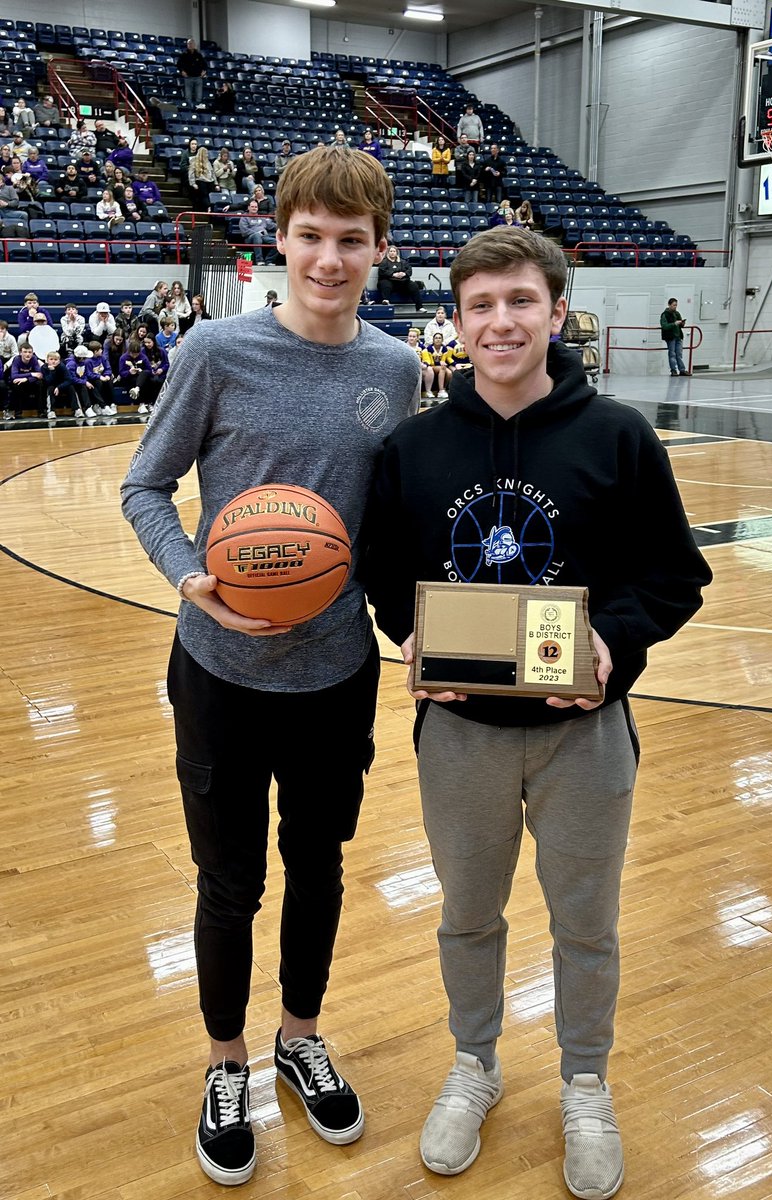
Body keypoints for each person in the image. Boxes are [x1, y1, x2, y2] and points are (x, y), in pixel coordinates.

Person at [363, 227, 712, 1197]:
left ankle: (585, 1082)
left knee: (586, 926)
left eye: (521, 301)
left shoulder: (620, 437)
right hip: (462, 735)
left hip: (585, 733)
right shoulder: (413, 448)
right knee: (468, 918)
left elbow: (676, 576)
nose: (501, 322)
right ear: (458, 321)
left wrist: (613, 640)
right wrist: (411, 637)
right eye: (481, 305)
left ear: (558, 311)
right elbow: (385, 574)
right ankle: (474, 1063)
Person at [120, 143, 420, 1189]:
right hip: (218, 673)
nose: (329, 259)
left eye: (351, 240)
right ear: (278, 239)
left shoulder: (395, 369)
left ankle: (298, 1035)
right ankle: (226, 1061)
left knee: (322, 866)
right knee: (226, 880)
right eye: (310, 237)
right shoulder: (215, 351)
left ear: (380, 249)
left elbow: (387, 526)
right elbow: (145, 487)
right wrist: (193, 575)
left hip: (336, 674)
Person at [378, 244, 425, 312]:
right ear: (388, 253)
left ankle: (419, 307)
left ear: (396, 252)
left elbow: (409, 270)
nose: (392, 253)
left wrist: (404, 274)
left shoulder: (403, 261)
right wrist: (393, 274)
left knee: (413, 285)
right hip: (389, 281)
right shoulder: (384, 262)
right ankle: (386, 301)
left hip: (402, 282)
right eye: (390, 251)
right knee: (385, 284)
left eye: (394, 251)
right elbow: (382, 272)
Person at [8, 340, 44, 418]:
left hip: (29, 382)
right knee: (16, 384)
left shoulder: (34, 359)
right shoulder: (16, 360)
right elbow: (14, 376)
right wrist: (31, 374)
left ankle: (41, 412)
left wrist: (26, 379)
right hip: (20, 384)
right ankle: (18, 413)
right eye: (25, 352)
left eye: (29, 352)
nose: (27, 354)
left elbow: (39, 375)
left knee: (40, 383)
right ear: (20, 353)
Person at [238, 200, 275, 265]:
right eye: (252, 207)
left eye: (255, 207)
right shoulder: (244, 217)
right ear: (248, 207)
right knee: (256, 236)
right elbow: (244, 231)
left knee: (277, 243)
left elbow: (272, 225)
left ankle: (269, 261)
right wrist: (257, 232)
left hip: (264, 236)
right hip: (250, 237)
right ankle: (259, 260)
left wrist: (282, 228)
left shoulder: (262, 217)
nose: (254, 208)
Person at [42, 349, 78, 417]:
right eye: (51, 359)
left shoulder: (62, 366)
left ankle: (76, 409)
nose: (53, 361)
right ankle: (51, 411)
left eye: (55, 359)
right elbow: (48, 381)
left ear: (59, 361)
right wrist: (52, 371)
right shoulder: (44, 367)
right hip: (51, 385)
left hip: (62, 385)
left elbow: (69, 380)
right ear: (47, 360)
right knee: (50, 388)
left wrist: (59, 387)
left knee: (71, 387)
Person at [660, 298, 689, 376]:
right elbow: (664, 326)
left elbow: (680, 324)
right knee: (672, 353)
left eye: (676, 305)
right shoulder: (665, 314)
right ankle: (673, 370)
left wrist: (682, 323)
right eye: (673, 305)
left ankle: (682, 370)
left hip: (678, 336)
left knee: (679, 354)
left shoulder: (677, 314)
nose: (675, 307)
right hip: (670, 337)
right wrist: (674, 324)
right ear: (669, 305)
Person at [420, 331, 452, 399]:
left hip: (441, 366)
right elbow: (429, 361)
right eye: (436, 338)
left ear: (442, 340)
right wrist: (439, 363)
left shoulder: (444, 348)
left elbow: (443, 359)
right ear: (433, 340)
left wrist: (443, 362)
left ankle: (443, 388)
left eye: (440, 338)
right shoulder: (429, 348)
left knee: (449, 373)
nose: (438, 339)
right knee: (442, 368)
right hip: (432, 365)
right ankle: (441, 391)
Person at [178, 39, 208, 108]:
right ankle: (189, 109)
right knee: (188, 96)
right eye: (189, 44)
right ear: (187, 45)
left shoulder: (199, 55)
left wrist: (204, 71)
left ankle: (198, 110)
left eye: (192, 43)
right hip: (188, 77)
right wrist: (182, 71)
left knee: (199, 96)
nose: (190, 45)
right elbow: (179, 64)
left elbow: (205, 65)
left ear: (194, 45)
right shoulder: (184, 55)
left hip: (198, 77)